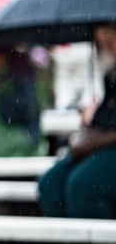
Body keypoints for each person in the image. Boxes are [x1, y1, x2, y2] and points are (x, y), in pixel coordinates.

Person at [38, 23, 116, 219]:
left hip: (105, 147)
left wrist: (92, 142)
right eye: (105, 43)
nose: (110, 48)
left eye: (112, 41)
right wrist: (93, 115)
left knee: (83, 186)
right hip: (100, 146)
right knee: (50, 185)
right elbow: (106, 119)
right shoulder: (111, 76)